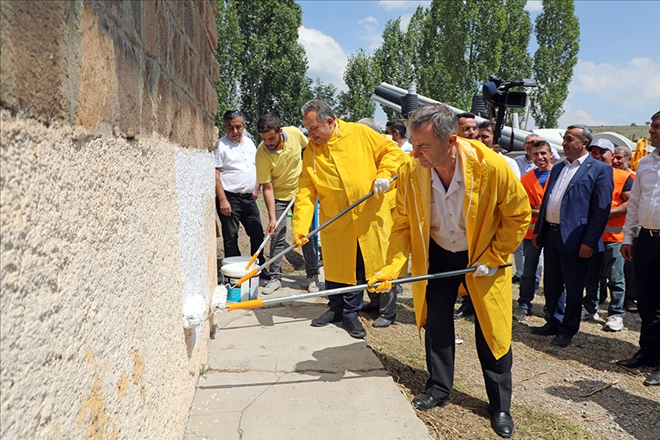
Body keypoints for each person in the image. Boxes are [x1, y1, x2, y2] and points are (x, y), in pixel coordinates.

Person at [368, 104, 531, 438]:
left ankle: (500, 406)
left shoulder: (493, 167)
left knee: (492, 331)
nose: (416, 152)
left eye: (424, 146)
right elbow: (401, 223)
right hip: (439, 255)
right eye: (413, 144)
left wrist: (496, 254)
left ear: (451, 140)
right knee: (437, 323)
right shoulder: (415, 170)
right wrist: (391, 267)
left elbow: (519, 215)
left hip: (483, 259)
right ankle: (439, 388)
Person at [291, 100, 406, 338]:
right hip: (335, 219)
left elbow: (392, 151)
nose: (310, 135)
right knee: (334, 267)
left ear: (330, 122)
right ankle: (335, 308)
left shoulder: (359, 133)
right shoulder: (311, 152)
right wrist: (300, 228)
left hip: (365, 215)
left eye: (314, 129)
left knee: (356, 267)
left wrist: (384, 175)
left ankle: (351, 314)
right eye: (307, 130)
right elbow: (305, 190)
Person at [530, 124, 613, 348]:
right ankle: (553, 321)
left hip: (576, 239)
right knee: (552, 283)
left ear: (583, 143)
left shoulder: (598, 169)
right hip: (552, 234)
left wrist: (589, 241)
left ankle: (568, 329)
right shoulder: (558, 167)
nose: (564, 143)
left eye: (569, 139)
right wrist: (539, 229)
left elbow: (600, 210)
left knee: (574, 286)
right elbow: (548, 200)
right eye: (565, 139)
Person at [617, 111, 660, 387]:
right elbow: (634, 205)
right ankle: (647, 352)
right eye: (652, 126)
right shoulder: (645, 163)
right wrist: (628, 239)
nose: (652, 131)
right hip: (646, 239)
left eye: (657, 127)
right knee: (646, 299)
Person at [255, 114, 320, 295]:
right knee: (277, 236)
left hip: (302, 193)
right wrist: (273, 218)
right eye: (264, 139)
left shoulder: (295, 133)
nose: (268, 142)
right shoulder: (262, 154)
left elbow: (312, 147)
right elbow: (267, 187)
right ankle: (275, 278)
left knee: (304, 233)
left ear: (280, 132)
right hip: (279, 196)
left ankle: (312, 277)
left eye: (271, 138)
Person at [357, 118, 412, 328]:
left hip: (388, 215)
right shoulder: (363, 152)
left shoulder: (391, 149)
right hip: (368, 214)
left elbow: (397, 171)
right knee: (367, 260)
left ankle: (388, 311)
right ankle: (374, 301)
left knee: (385, 263)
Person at [582, 139, 632, 331]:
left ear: (612, 155)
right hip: (591, 237)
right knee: (591, 276)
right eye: (594, 152)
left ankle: (615, 314)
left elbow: (630, 203)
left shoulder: (622, 177)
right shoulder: (586, 174)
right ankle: (589, 308)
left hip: (613, 238)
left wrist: (607, 213)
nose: (597, 155)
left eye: (602, 152)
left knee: (615, 278)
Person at [214, 110, 265, 266]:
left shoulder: (249, 143)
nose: (234, 131)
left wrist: (255, 189)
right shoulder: (220, 145)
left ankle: (258, 266)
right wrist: (223, 200)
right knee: (231, 236)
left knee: (257, 233)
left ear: (244, 125)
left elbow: (256, 167)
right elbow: (215, 174)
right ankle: (234, 269)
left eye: (238, 127)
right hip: (229, 198)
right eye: (230, 128)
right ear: (225, 127)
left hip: (249, 198)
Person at [514, 140, 554, 321]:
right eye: (536, 154)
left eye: (543, 153)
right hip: (531, 232)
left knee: (553, 272)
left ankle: (551, 306)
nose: (540, 157)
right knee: (528, 270)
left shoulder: (560, 174)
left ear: (551, 154)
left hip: (554, 231)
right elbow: (521, 205)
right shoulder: (527, 178)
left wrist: (539, 210)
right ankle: (524, 303)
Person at [453, 112, 479, 319]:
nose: (471, 132)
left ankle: (474, 304)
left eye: (474, 128)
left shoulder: (485, 157)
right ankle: (465, 302)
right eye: (466, 129)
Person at [612, 145, 638, 312]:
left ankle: (630, 299)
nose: (616, 161)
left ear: (629, 159)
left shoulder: (634, 177)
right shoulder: (611, 176)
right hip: (613, 232)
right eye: (614, 157)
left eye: (620, 158)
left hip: (631, 229)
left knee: (629, 268)